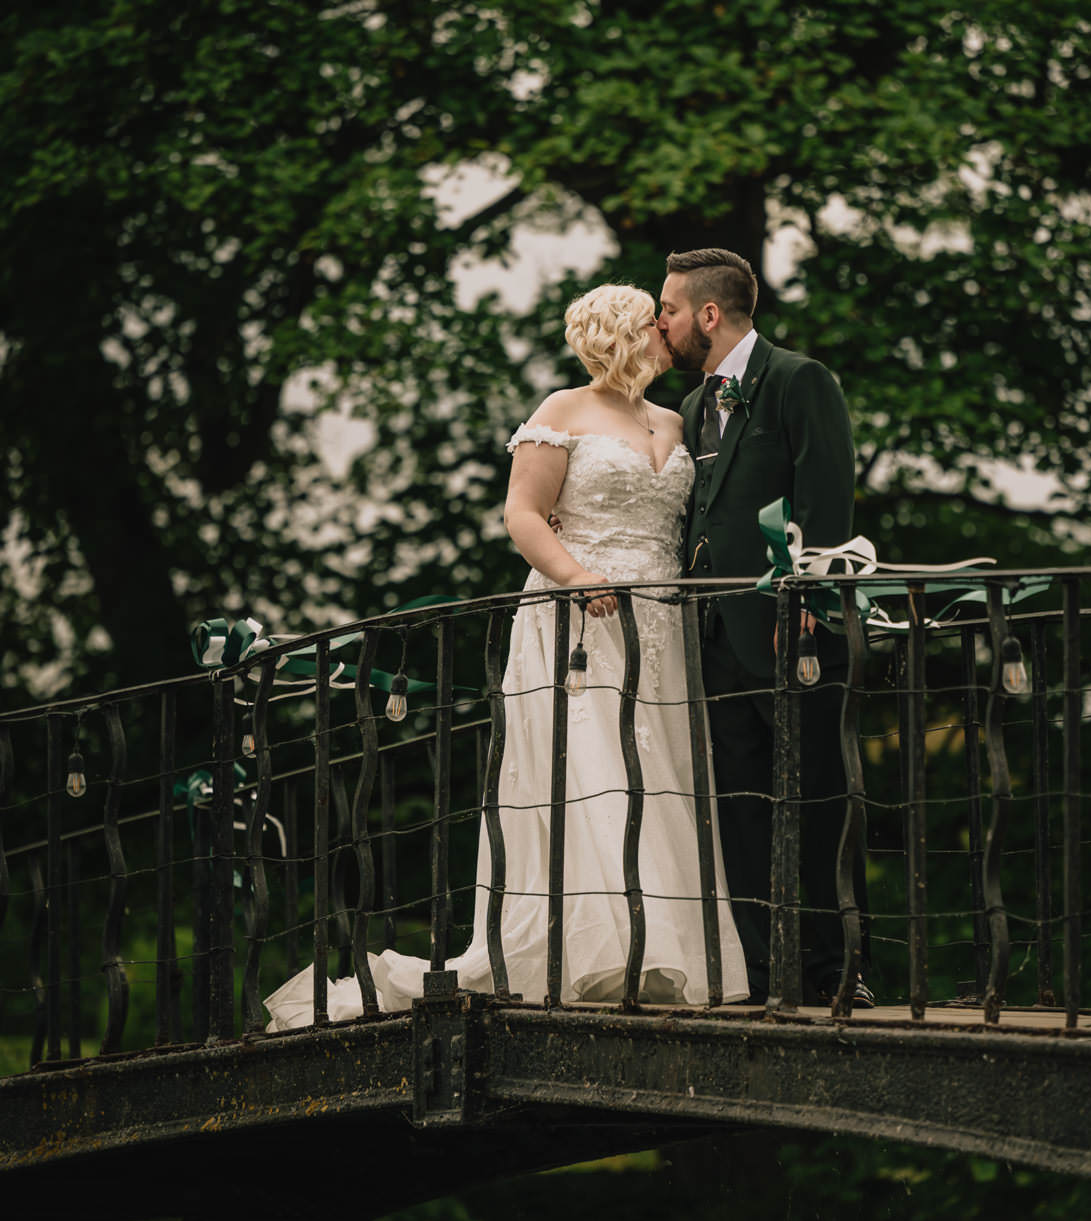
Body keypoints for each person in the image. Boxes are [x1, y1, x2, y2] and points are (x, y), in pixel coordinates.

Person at [265, 283, 747, 1030]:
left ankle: (672, 954)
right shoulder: (561, 411)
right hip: (578, 616)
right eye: (653, 324)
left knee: (664, 777)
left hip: (660, 625)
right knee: (596, 775)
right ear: (623, 334)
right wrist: (578, 578)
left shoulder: (673, 419)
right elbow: (522, 515)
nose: (666, 334)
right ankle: (603, 955)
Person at [657, 247, 871, 1009]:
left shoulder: (797, 380)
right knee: (740, 809)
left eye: (671, 310)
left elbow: (827, 494)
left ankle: (833, 971)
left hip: (792, 632)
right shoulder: (688, 409)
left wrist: (803, 598)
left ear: (709, 315)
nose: (663, 324)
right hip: (712, 641)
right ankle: (759, 969)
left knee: (815, 799)